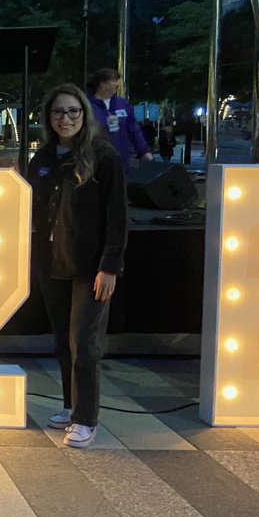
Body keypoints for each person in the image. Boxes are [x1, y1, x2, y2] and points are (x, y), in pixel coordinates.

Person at [28, 84, 128, 448]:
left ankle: (86, 419)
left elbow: (117, 215)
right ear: (48, 118)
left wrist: (110, 265)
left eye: (72, 112)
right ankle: (71, 407)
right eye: (58, 112)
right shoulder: (42, 160)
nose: (65, 119)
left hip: (91, 267)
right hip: (51, 264)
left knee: (85, 343)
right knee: (63, 342)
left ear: (84, 115)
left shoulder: (103, 157)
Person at [85, 67, 152, 172]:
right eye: (114, 80)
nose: (117, 84)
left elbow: (134, 129)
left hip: (122, 160)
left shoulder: (122, 103)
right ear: (102, 84)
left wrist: (144, 151)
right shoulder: (87, 105)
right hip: (95, 161)